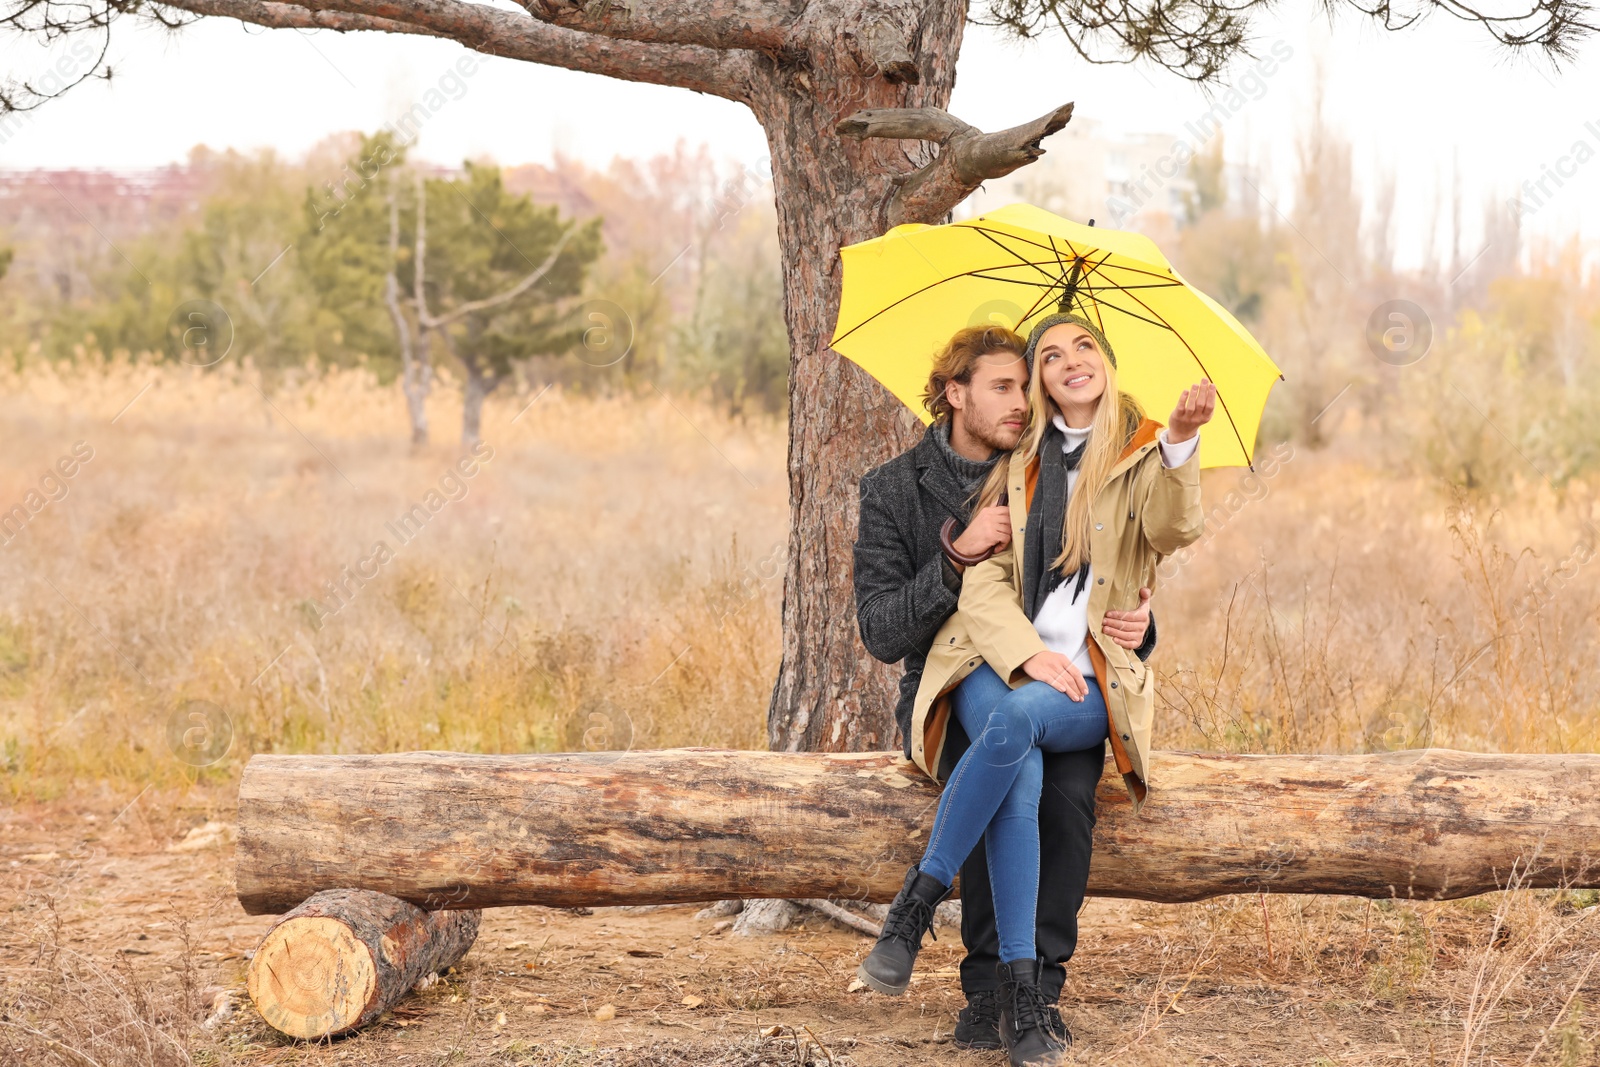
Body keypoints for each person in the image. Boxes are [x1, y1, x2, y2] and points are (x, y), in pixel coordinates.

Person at [856, 312, 1211, 1066]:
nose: (1025, 394)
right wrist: (957, 560)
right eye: (1025, 371)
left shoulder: (1121, 455)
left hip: (1074, 684)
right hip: (969, 674)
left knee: (1055, 792)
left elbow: (1161, 537)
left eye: (1074, 352)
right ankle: (1007, 993)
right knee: (1017, 769)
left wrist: (1179, 439)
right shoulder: (977, 475)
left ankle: (933, 915)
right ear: (957, 395)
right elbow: (891, 626)